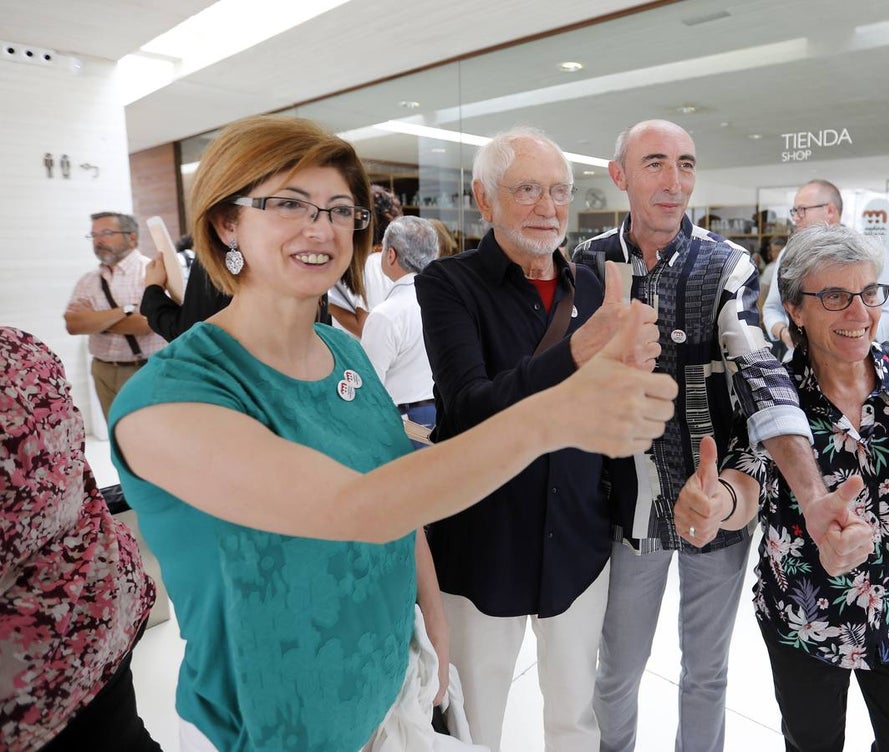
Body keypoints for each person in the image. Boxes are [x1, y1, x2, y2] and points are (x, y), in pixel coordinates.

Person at [108, 115, 677, 752]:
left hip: (390, 698)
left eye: (339, 209)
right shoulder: (168, 397)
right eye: (288, 204)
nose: (318, 228)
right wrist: (561, 406)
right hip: (267, 723)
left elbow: (396, 494)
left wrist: (430, 616)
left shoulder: (343, 356)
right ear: (226, 222)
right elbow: (352, 508)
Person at [571, 119, 874, 752]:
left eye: (685, 164)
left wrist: (812, 492)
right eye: (655, 163)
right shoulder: (590, 260)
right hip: (629, 497)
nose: (674, 180)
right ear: (619, 175)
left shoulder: (726, 264)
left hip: (719, 490)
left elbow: (756, 367)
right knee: (618, 667)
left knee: (706, 672)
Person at [683, 223, 889, 752]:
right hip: (805, 618)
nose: (860, 314)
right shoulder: (772, 391)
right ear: (795, 309)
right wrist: (717, 502)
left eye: (869, 292)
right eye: (835, 296)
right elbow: (747, 480)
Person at [415, 126, 659, 752]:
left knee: (575, 715)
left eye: (559, 190)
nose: (549, 208)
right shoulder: (449, 284)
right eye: (527, 189)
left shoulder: (597, 286)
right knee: (476, 717)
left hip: (578, 538)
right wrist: (578, 351)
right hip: (483, 538)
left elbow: (614, 409)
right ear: (485, 198)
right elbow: (469, 409)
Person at [1, 327, 160, 752]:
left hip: (48, 656)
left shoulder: (19, 350)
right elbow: (77, 319)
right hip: (98, 606)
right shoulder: (20, 346)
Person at [762, 180, 889, 353]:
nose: (795, 218)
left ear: (830, 210)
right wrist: (784, 333)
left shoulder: (869, 251)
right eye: (794, 211)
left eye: (801, 210)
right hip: (801, 360)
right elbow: (772, 307)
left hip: (859, 358)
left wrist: (853, 333)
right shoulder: (789, 253)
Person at [64, 212, 166, 420]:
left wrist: (94, 321)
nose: (98, 240)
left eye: (107, 233)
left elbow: (147, 324)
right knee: (116, 437)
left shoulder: (152, 271)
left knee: (148, 437)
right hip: (102, 369)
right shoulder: (89, 280)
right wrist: (125, 310)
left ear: (132, 237)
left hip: (144, 369)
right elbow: (74, 324)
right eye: (93, 235)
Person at [360, 215, 440, 430]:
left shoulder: (386, 315)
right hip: (443, 415)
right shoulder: (449, 303)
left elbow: (368, 386)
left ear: (391, 255)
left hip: (400, 423)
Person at [329, 184, 404, 336]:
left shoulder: (365, 266)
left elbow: (366, 327)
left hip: (364, 356)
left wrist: (323, 298)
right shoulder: (397, 263)